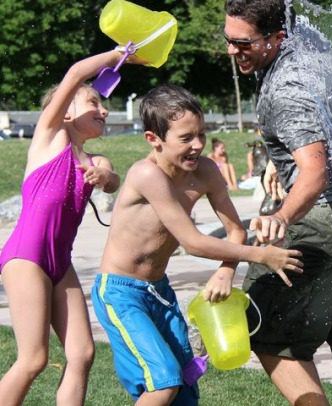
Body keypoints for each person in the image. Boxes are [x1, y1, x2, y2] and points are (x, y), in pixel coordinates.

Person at [223, 1, 332, 405]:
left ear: (276, 38)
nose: (233, 51)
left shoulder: (287, 89)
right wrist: (276, 160)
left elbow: (316, 172)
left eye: (242, 43)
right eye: (228, 40)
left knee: (262, 328)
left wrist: (282, 214)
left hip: (317, 218)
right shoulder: (311, 46)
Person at [91, 84, 303, 406]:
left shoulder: (206, 171)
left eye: (201, 134)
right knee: (163, 381)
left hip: (158, 291)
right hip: (121, 292)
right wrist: (260, 255)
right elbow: (192, 242)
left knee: (186, 387)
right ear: (154, 139)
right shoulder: (147, 174)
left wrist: (227, 271)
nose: (198, 145)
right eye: (186, 138)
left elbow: (235, 230)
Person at [0, 50, 138, 405]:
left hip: (60, 264)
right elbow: (77, 72)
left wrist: (105, 176)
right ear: (65, 112)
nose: (103, 109)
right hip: (26, 258)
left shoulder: (95, 159)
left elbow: (112, 179)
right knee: (34, 359)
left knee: (81, 354)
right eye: (94, 101)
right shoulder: (50, 137)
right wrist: (118, 54)